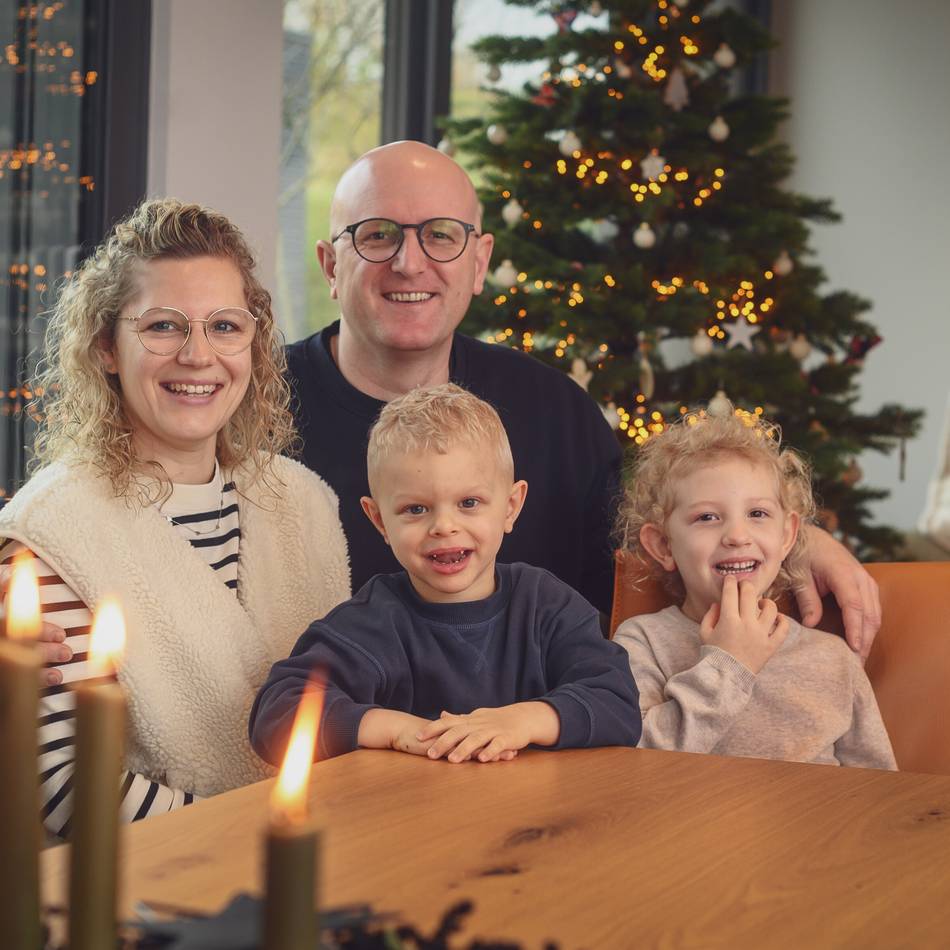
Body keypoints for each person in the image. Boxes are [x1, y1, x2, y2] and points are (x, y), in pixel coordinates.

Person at [287, 139, 882, 651]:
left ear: (478, 261)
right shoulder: (258, 406)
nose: (409, 262)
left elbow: (664, 526)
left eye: (441, 235)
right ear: (330, 265)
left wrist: (802, 541)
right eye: (377, 235)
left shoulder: (551, 408)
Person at [0, 199, 350, 838]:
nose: (197, 355)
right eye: (162, 326)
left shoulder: (305, 503)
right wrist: (257, 837)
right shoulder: (52, 532)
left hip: (319, 865)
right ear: (106, 345)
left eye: (225, 326)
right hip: (154, 896)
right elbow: (63, 778)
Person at [249, 384, 641, 765]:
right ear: (379, 520)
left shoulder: (546, 606)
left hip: (537, 819)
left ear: (510, 506)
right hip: (414, 820)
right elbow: (275, 716)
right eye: (416, 509)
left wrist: (522, 720)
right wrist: (397, 730)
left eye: (469, 503)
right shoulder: (373, 622)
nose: (444, 526)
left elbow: (617, 702)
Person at [612, 409, 896, 769]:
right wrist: (729, 665)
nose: (737, 536)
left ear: (787, 535)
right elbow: (633, 763)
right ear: (664, 546)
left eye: (758, 514)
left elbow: (879, 787)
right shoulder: (643, 642)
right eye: (707, 517)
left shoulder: (833, 657)